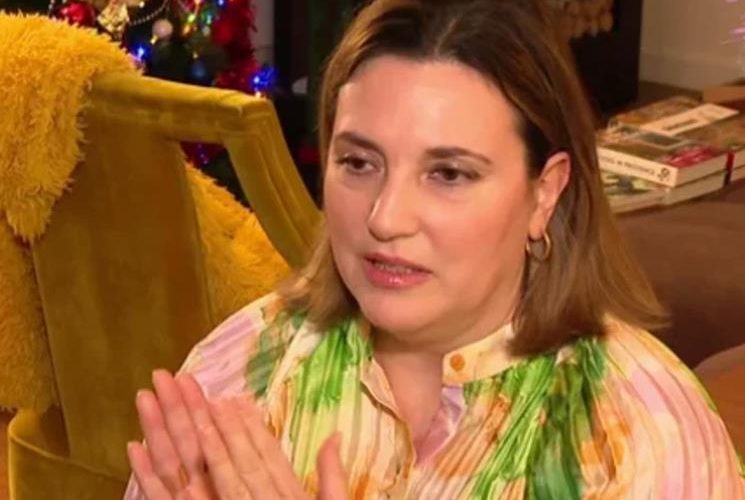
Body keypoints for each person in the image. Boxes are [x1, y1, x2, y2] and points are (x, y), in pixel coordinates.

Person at [124, 0, 745, 498]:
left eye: (448, 173)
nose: (385, 218)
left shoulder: (641, 438)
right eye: (359, 162)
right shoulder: (238, 372)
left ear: (545, 192)